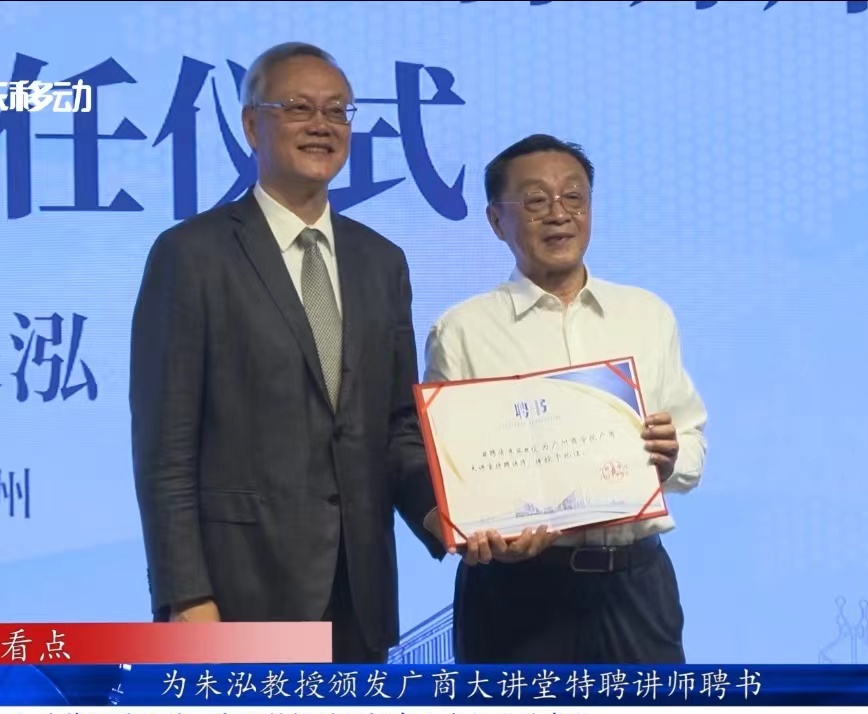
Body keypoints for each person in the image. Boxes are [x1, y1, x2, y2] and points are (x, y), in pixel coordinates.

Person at [128, 42, 444, 664]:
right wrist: (183, 594)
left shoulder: (382, 262)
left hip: (360, 594)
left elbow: (396, 428)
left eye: (337, 110)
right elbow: (165, 448)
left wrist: (445, 516)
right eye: (298, 107)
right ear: (252, 125)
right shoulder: (191, 255)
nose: (322, 124)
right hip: (238, 593)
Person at [423, 134, 709, 664]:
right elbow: (450, 473)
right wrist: (472, 529)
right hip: (516, 594)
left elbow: (691, 444)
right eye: (535, 200)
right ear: (496, 220)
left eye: (573, 197)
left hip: (635, 587)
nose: (559, 214)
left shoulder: (646, 315)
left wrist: (670, 459)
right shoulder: (461, 331)